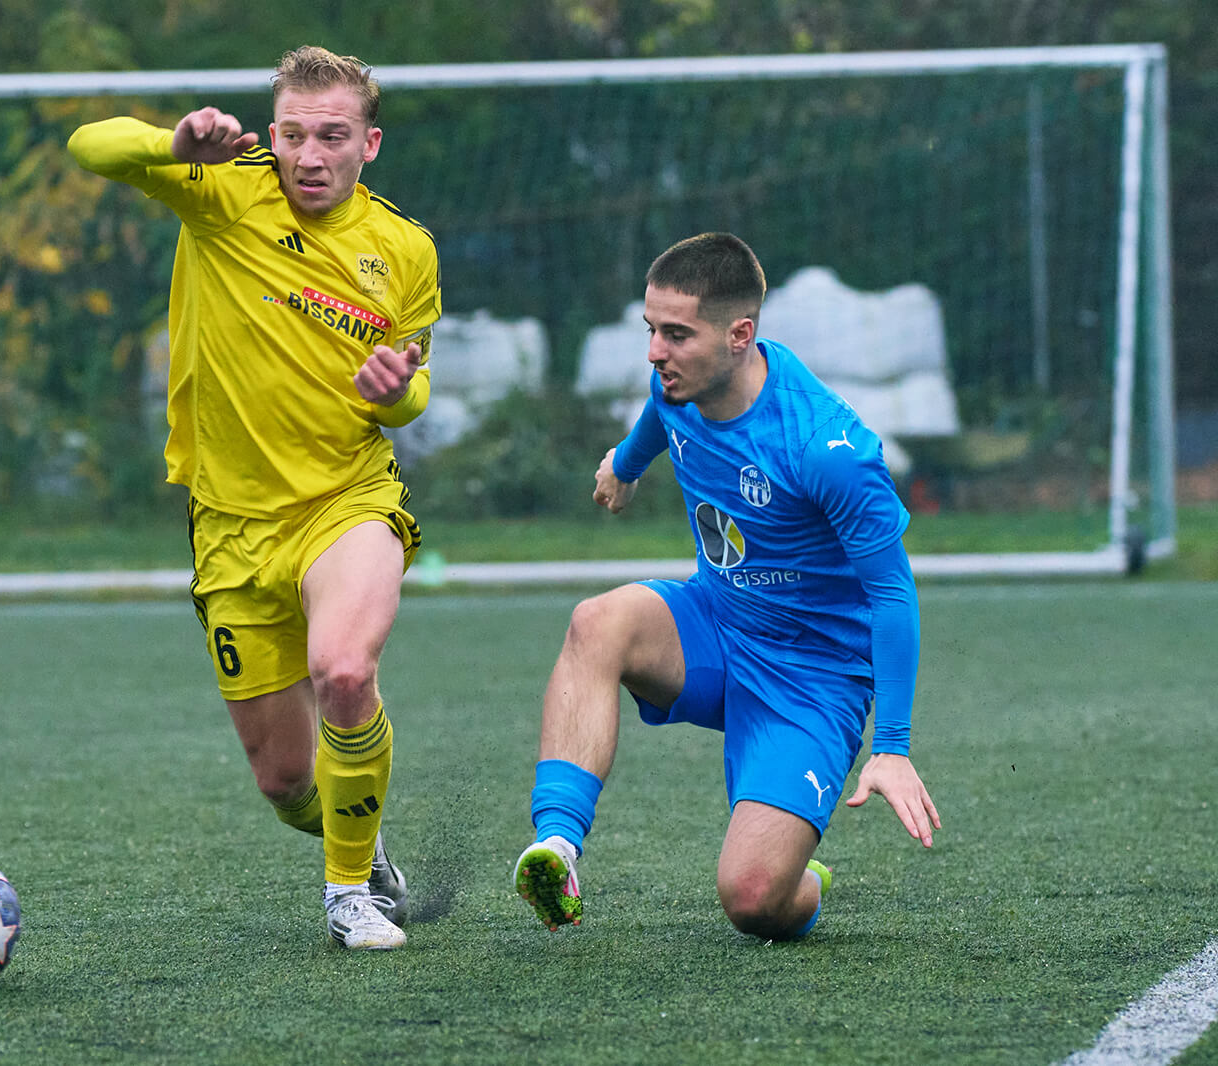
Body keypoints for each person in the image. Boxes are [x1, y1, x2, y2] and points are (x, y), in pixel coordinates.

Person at [68, 46, 441, 950]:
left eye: (333, 136)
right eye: (293, 135)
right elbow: (89, 145)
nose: (310, 156)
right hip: (230, 526)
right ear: (270, 134)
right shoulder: (222, 187)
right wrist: (174, 141)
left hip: (346, 500)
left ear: (370, 143)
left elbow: (413, 388)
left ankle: (349, 892)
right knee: (284, 782)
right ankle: (364, 841)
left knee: (346, 671)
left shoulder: (404, 250)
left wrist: (398, 394)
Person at [512, 232, 939, 941]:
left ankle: (802, 883)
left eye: (676, 334)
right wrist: (625, 463)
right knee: (598, 622)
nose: (655, 352)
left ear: (740, 335)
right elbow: (658, 413)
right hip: (715, 623)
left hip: (811, 679)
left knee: (752, 902)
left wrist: (890, 746)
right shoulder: (680, 383)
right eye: (651, 330)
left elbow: (893, 595)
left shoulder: (829, 451)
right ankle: (557, 847)